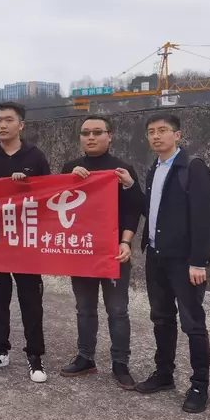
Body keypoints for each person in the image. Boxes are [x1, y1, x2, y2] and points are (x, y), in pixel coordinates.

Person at [135, 113, 210, 414]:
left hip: (185, 261)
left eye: (162, 130)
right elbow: (153, 210)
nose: (156, 136)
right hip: (156, 256)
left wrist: (198, 262)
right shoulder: (154, 168)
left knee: (193, 323)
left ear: (177, 135)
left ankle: (199, 385)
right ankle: (164, 373)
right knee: (162, 318)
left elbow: (203, 217)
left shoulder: (192, 167)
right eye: (151, 132)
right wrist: (130, 186)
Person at [59, 115, 145, 389]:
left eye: (97, 132)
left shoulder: (122, 169)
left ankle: (120, 363)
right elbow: (56, 203)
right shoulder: (70, 168)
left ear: (110, 136)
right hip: (82, 249)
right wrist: (69, 181)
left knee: (117, 310)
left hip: (113, 250)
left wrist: (126, 242)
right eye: (86, 133)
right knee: (84, 308)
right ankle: (86, 358)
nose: (91, 137)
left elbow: (135, 209)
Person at [0, 102, 50, 383]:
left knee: (31, 300)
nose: (2, 125)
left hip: (26, 241)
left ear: (21, 125)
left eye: (8, 120)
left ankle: (35, 355)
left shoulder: (35, 156)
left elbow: (49, 196)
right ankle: (0, 349)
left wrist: (26, 186)